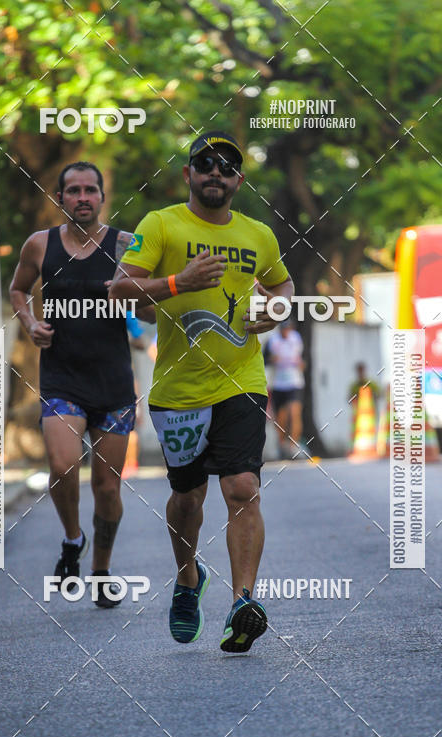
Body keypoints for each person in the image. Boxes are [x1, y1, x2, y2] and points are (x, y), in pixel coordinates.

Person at [109, 130, 294, 652]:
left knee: (242, 487)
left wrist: (273, 311)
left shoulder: (258, 234)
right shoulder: (161, 223)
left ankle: (242, 603)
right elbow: (121, 287)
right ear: (188, 174)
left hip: (242, 379)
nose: (216, 173)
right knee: (188, 496)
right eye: (205, 164)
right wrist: (177, 283)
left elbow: (282, 285)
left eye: (227, 167)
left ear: (238, 180)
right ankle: (188, 578)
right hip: (178, 387)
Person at [9, 161, 136, 608]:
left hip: (114, 382)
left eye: (90, 190)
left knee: (107, 487)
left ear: (102, 197)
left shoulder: (125, 245)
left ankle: (101, 570)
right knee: (63, 466)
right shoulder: (39, 245)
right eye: (73, 190)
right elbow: (18, 290)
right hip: (62, 376)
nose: (82, 197)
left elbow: (152, 302)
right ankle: (71, 538)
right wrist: (29, 324)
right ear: (59, 198)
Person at [266, 322, 305, 458]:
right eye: (284, 330)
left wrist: (301, 364)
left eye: (288, 329)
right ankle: (282, 446)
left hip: (294, 382)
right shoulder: (273, 340)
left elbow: (303, 358)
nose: (286, 333)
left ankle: (293, 445)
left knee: (294, 412)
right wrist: (272, 359)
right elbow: (265, 359)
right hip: (278, 383)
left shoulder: (296, 338)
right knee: (280, 417)